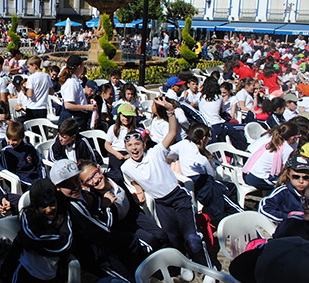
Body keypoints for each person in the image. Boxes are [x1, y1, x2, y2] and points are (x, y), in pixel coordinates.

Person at [121, 96, 212, 268]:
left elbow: (171, 133)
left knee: (192, 238)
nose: (134, 148)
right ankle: (184, 264)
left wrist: (170, 111)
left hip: (178, 197)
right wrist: (138, 189)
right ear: (126, 148)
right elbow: (132, 180)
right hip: (162, 204)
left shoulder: (156, 153)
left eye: (137, 143)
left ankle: (207, 267)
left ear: (144, 144)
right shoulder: (126, 167)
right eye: (130, 145)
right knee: (172, 238)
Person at [50, 158, 140, 282]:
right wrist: (106, 208)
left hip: (101, 244)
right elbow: (103, 232)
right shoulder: (72, 206)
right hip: (96, 256)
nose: (75, 187)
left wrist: (99, 213)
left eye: (76, 180)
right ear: (58, 187)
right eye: (67, 185)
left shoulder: (81, 197)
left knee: (133, 242)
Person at [77, 159, 167, 252]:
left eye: (95, 174)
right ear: (84, 185)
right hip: (122, 225)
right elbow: (106, 225)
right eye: (89, 180)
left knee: (161, 235)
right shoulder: (96, 200)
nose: (95, 180)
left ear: (99, 169)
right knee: (150, 241)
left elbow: (132, 177)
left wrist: (138, 189)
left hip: (133, 214)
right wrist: (105, 207)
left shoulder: (114, 176)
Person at [168, 123, 242, 224]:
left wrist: (177, 158)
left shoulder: (183, 144)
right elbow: (212, 175)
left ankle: (231, 215)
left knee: (229, 188)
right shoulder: (202, 158)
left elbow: (168, 152)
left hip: (191, 183)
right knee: (228, 191)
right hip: (204, 185)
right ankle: (237, 215)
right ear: (204, 138)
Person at [5, 179, 72, 283]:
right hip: (27, 272)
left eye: (52, 203)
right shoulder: (28, 215)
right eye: (44, 206)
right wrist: (56, 239)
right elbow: (30, 238)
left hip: (51, 276)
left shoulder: (63, 216)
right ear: (35, 206)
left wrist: (38, 246)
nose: (49, 210)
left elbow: (66, 244)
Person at [243, 123, 300, 190]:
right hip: (259, 179)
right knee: (292, 185)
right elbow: (283, 170)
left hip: (247, 174)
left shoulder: (271, 140)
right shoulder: (287, 149)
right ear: (293, 138)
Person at [258, 154, 309, 224]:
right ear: (288, 174)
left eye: (306, 177)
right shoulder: (282, 193)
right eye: (296, 177)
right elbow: (264, 209)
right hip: (288, 229)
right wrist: (287, 217)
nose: (301, 181)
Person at [0, 121, 45, 192]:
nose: (11, 143)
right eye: (9, 139)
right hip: (23, 183)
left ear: (22, 138)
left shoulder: (30, 148)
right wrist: (31, 184)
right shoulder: (6, 152)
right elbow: (11, 174)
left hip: (36, 179)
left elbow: (39, 165)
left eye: (14, 140)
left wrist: (41, 179)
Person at [58, 55, 97, 131]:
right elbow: (68, 105)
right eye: (83, 65)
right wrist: (86, 107)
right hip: (72, 118)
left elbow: (76, 99)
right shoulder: (71, 82)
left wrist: (87, 102)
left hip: (77, 117)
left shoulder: (75, 80)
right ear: (79, 67)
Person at [104, 103, 136, 183]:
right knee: (117, 174)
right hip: (115, 153)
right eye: (124, 116)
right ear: (119, 116)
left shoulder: (135, 130)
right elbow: (107, 144)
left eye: (129, 116)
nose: (126, 119)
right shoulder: (113, 128)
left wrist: (130, 155)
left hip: (130, 153)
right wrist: (115, 153)